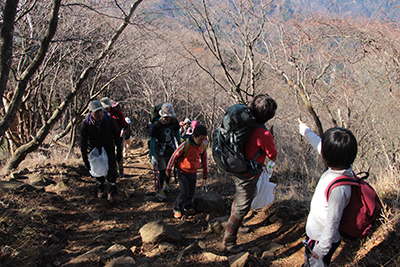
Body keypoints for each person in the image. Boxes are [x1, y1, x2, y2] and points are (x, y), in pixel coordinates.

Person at [223, 93, 278, 254]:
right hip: (248, 172)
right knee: (243, 206)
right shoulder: (264, 133)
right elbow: (272, 155)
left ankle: (236, 225)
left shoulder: (245, 124)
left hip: (236, 165)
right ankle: (229, 241)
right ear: (269, 116)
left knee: (240, 197)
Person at [298, 119, 357, 267]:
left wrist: (321, 248)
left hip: (320, 239)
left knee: (315, 264)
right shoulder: (341, 168)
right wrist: (306, 131)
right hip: (316, 234)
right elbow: (319, 144)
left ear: (327, 157)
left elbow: (333, 222)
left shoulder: (339, 188)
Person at [80, 100, 122, 202]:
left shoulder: (109, 121)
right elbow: (83, 141)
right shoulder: (86, 124)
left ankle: (112, 189)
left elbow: (117, 136)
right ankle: (100, 186)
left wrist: (119, 151)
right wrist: (85, 158)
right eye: (96, 112)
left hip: (108, 146)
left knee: (112, 168)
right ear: (90, 113)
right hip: (94, 148)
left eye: (101, 111)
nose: (99, 114)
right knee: (96, 169)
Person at [166, 125, 209, 219]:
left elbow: (204, 159)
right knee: (184, 192)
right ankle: (177, 208)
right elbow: (174, 155)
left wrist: (206, 172)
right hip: (183, 172)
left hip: (193, 172)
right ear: (194, 136)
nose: (202, 141)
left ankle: (187, 206)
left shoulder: (203, 146)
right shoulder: (186, 145)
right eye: (200, 139)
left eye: (204, 139)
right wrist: (168, 169)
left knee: (191, 191)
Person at [149, 103, 181, 201]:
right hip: (159, 147)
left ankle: (167, 183)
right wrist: (152, 155)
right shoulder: (156, 125)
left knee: (169, 167)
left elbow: (177, 134)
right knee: (162, 170)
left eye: (170, 117)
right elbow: (153, 140)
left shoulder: (174, 122)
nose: (168, 119)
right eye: (166, 117)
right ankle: (159, 189)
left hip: (170, 146)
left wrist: (180, 146)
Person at [100, 97, 127, 178]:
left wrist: (122, 130)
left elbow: (124, 124)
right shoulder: (101, 114)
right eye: (104, 108)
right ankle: (112, 171)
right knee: (108, 155)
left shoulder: (117, 112)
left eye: (107, 107)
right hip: (106, 138)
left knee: (118, 153)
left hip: (118, 137)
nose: (106, 109)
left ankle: (120, 170)